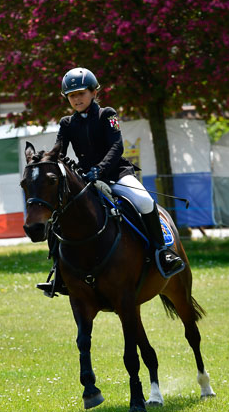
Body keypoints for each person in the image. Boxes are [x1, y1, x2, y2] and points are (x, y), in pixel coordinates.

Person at [36, 67, 185, 296]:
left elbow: (117, 146)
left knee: (144, 201)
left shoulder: (108, 115)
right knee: (60, 216)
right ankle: (59, 273)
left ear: (94, 92)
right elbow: (60, 151)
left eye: (81, 93)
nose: (76, 99)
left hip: (117, 174)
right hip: (87, 179)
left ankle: (163, 254)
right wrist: (47, 161)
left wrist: (101, 169)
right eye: (71, 95)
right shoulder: (67, 123)